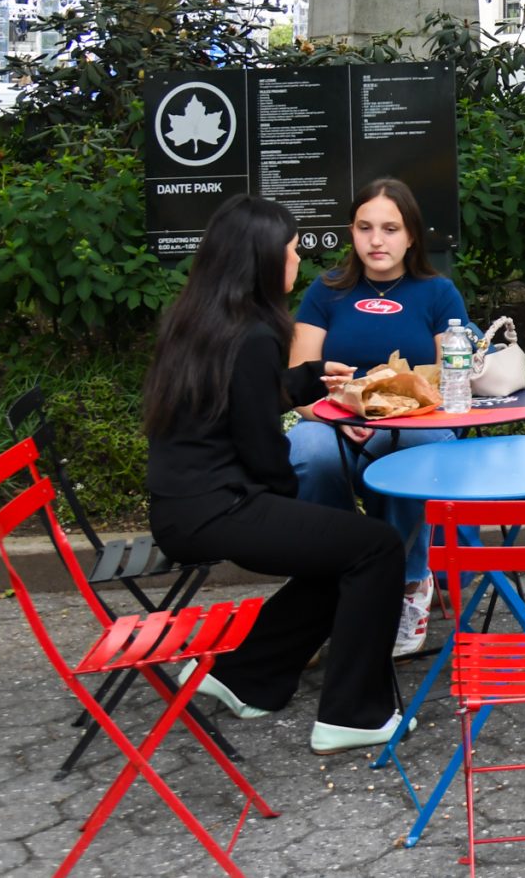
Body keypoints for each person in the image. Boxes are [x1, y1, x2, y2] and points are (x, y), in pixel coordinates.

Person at [143, 196, 408, 754]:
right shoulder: (255, 336)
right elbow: (264, 450)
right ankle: (354, 715)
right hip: (221, 509)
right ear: (262, 261)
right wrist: (294, 507)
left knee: (340, 554)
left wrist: (310, 377)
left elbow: (237, 396)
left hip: (183, 506)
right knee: (377, 547)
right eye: (290, 252)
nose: (296, 263)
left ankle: (247, 675)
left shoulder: (199, 320)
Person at [287, 179, 469, 657]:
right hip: (336, 421)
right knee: (308, 450)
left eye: (390, 228)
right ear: (352, 232)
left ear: (411, 236)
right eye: (365, 227)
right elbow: (297, 379)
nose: (376, 240)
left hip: (416, 422)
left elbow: (449, 384)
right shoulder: (326, 290)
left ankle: (411, 585)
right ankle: (334, 582)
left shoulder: (438, 293)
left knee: (415, 450)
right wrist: (334, 412)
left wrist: (397, 405)